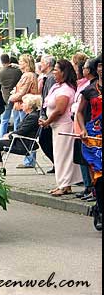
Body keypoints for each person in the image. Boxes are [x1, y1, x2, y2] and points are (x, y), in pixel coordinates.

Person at [39, 59, 82, 196]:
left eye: (56, 70)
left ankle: (64, 185)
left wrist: (47, 121)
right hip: (56, 126)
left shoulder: (65, 90)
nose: (54, 73)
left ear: (63, 72)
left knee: (63, 156)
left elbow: (59, 110)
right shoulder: (58, 87)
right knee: (60, 155)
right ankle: (64, 184)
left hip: (63, 126)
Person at [75, 55, 102, 210]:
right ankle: (99, 208)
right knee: (99, 176)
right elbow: (79, 112)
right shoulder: (89, 90)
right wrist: (83, 129)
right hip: (95, 138)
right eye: (100, 65)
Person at [0, 94, 42, 170]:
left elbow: (22, 131)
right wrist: (10, 134)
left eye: (23, 103)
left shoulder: (32, 117)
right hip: (21, 141)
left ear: (29, 106)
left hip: (23, 144)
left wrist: (9, 136)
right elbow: (22, 130)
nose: (21, 105)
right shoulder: (31, 115)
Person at [9, 54, 39, 168]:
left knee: (26, 132)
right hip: (25, 104)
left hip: (25, 105)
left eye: (21, 61)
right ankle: (29, 159)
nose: (19, 63)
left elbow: (23, 92)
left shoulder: (27, 75)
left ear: (27, 63)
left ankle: (29, 160)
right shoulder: (30, 75)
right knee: (26, 131)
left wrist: (11, 97)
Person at [71, 56, 95, 200]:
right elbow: (79, 109)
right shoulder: (86, 87)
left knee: (91, 161)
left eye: (85, 67)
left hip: (90, 125)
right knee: (84, 159)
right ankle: (89, 187)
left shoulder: (91, 87)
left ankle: (92, 188)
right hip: (82, 126)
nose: (82, 70)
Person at [38, 55, 57, 171]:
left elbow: (49, 97)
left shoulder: (50, 78)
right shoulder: (48, 77)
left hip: (49, 115)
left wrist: (44, 115)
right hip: (47, 114)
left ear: (48, 64)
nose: (40, 65)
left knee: (45, 140)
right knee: (47, 140)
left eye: (42, 63)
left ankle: (56, 163)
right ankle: (56, 163)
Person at [0, 53, 23, 137]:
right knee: (17, 119)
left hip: (5, 97)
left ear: (1, 61)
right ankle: (15, 137)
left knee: (4, 119)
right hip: (16, 95)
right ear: (9, 60)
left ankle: (2, 137)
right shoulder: (17, 71)